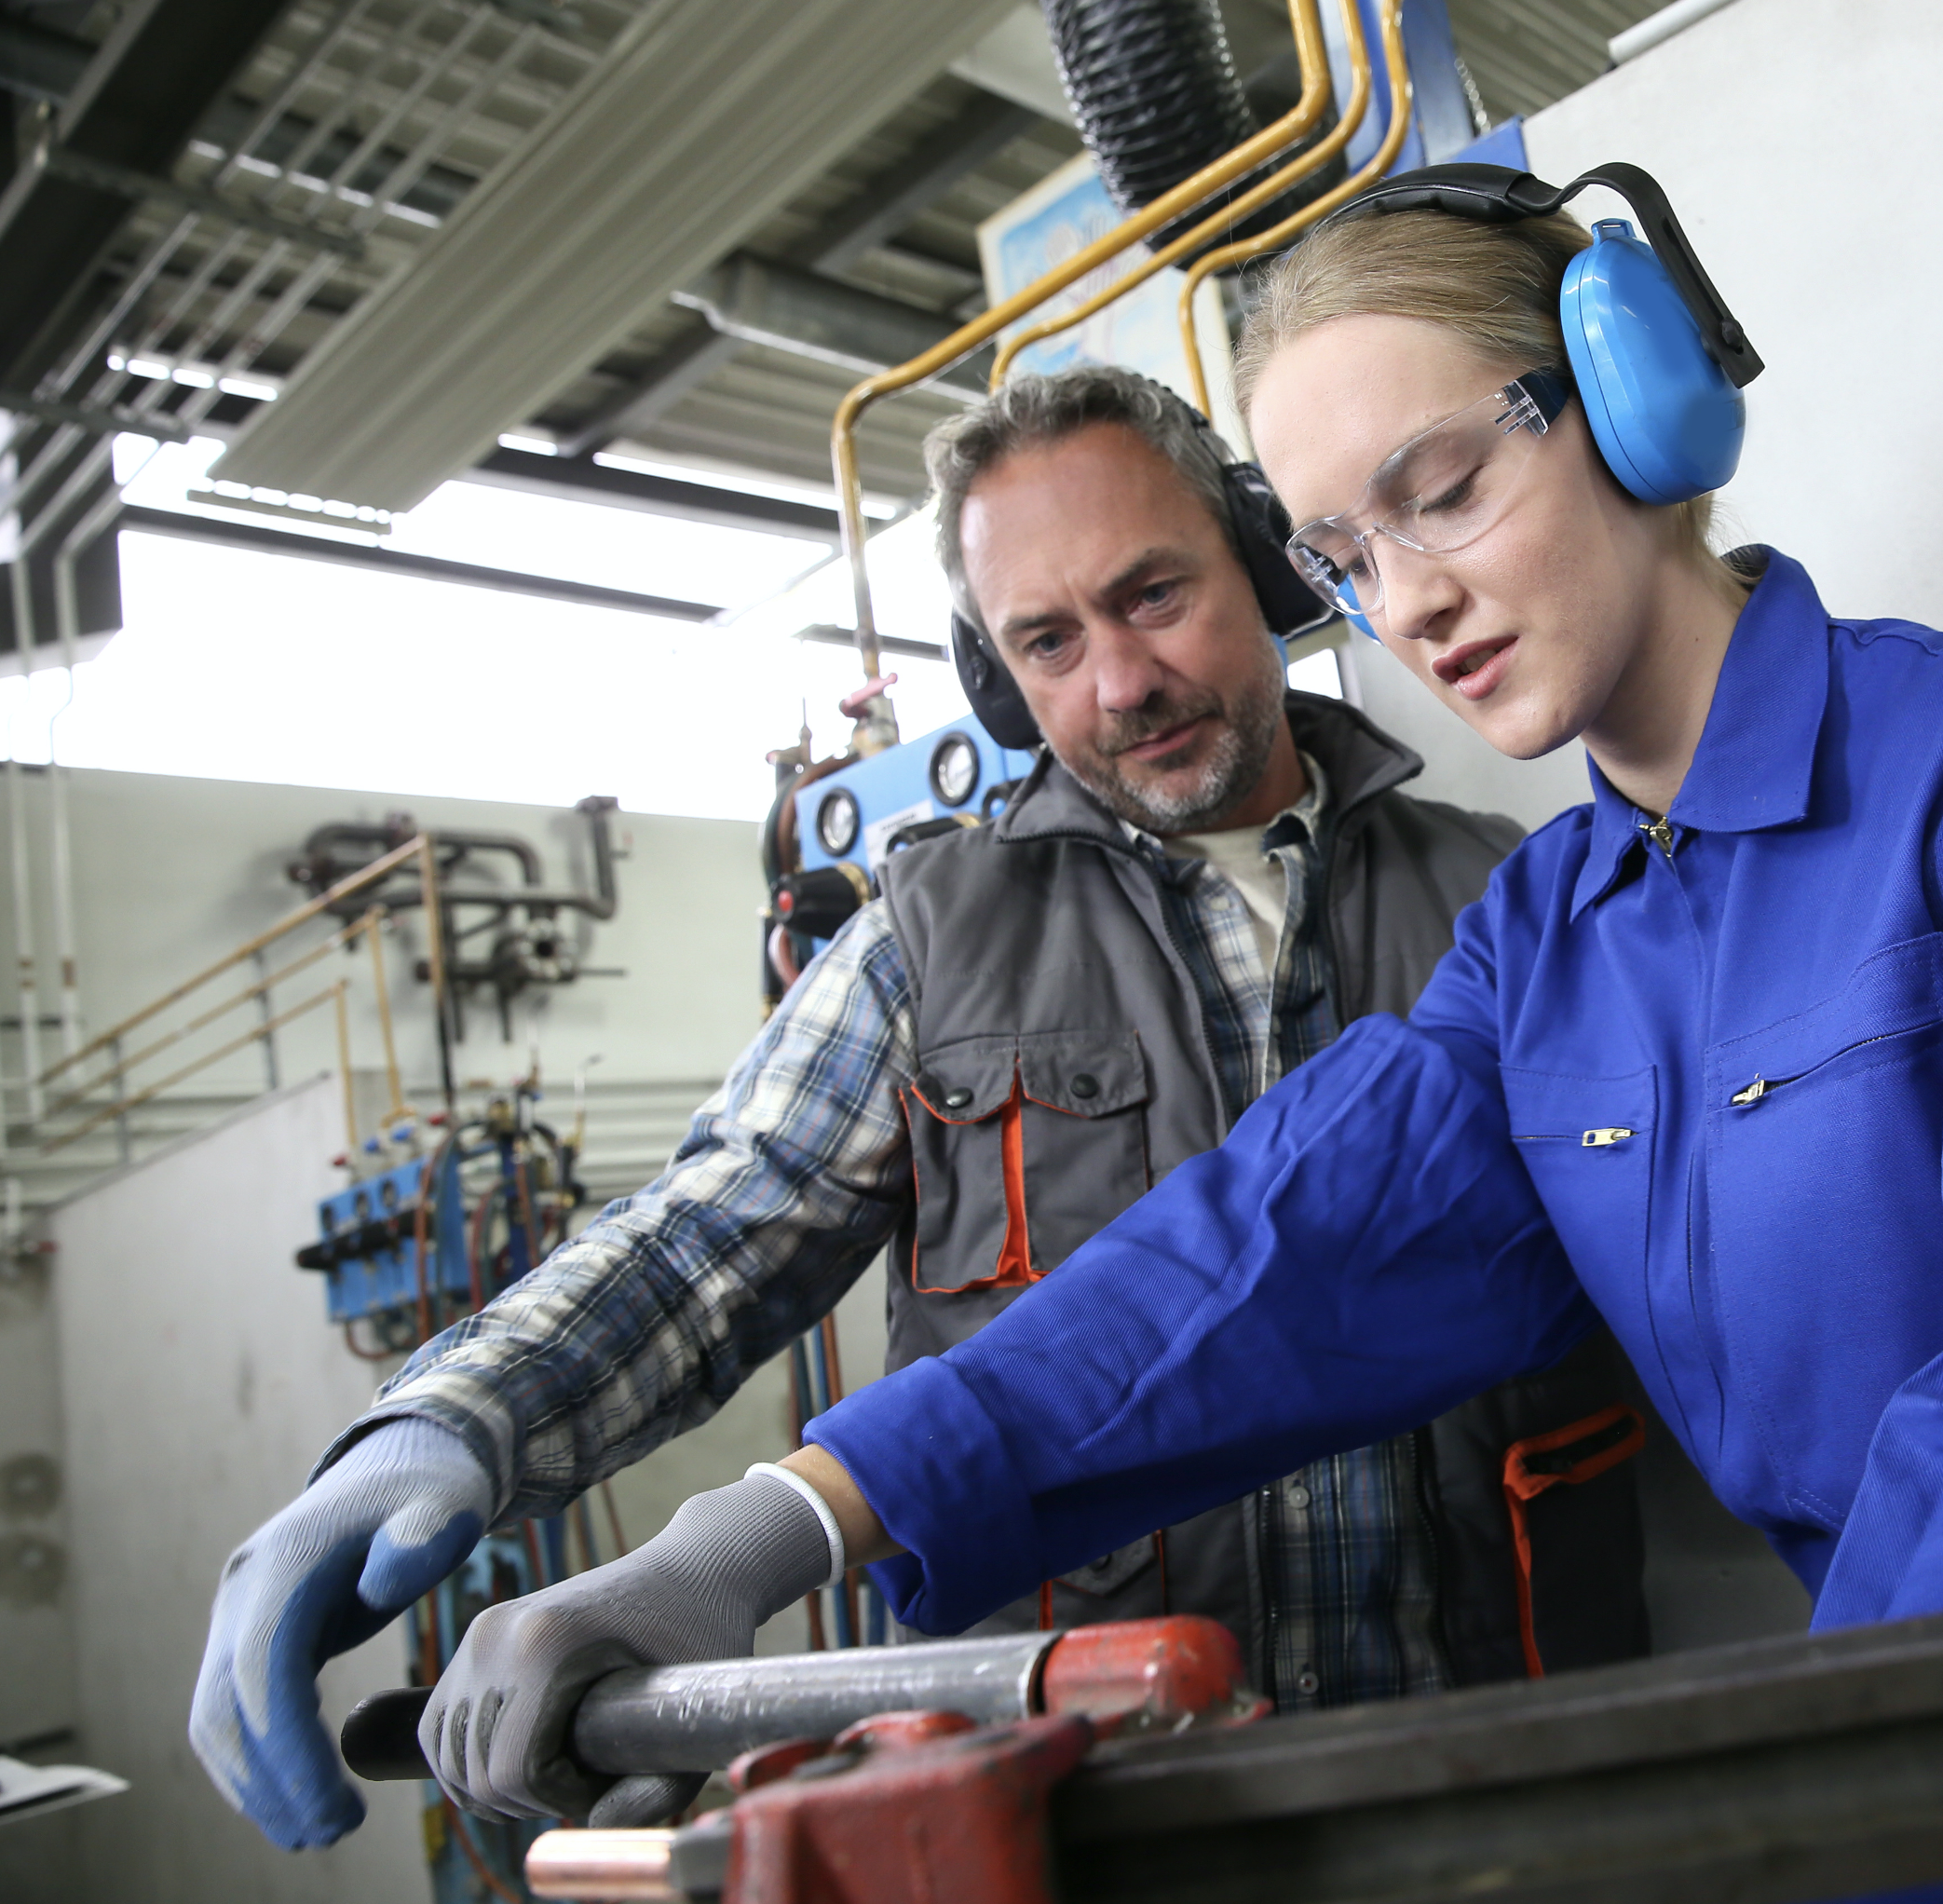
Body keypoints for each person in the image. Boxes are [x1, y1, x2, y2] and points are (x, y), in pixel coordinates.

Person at [409, 165, 1943, 1901]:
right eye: (1343, 549)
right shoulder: (1548, 938)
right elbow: (1236, 1267)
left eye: (1437, 491)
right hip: (1905, 1786)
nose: (1402, 600)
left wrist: (1880, 1811)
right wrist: (768, 1528)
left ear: (1635, 399)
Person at [188, 362, 1651, 1850]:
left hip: (1486, 1780)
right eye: (1046, 641)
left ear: (1271, 567)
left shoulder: (1506, 897)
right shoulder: (927, 939)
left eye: (1153, 596)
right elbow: (712, 1232)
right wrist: (447, 1423)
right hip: (1090, 1814)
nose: (1118, 683)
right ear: (995, 676)